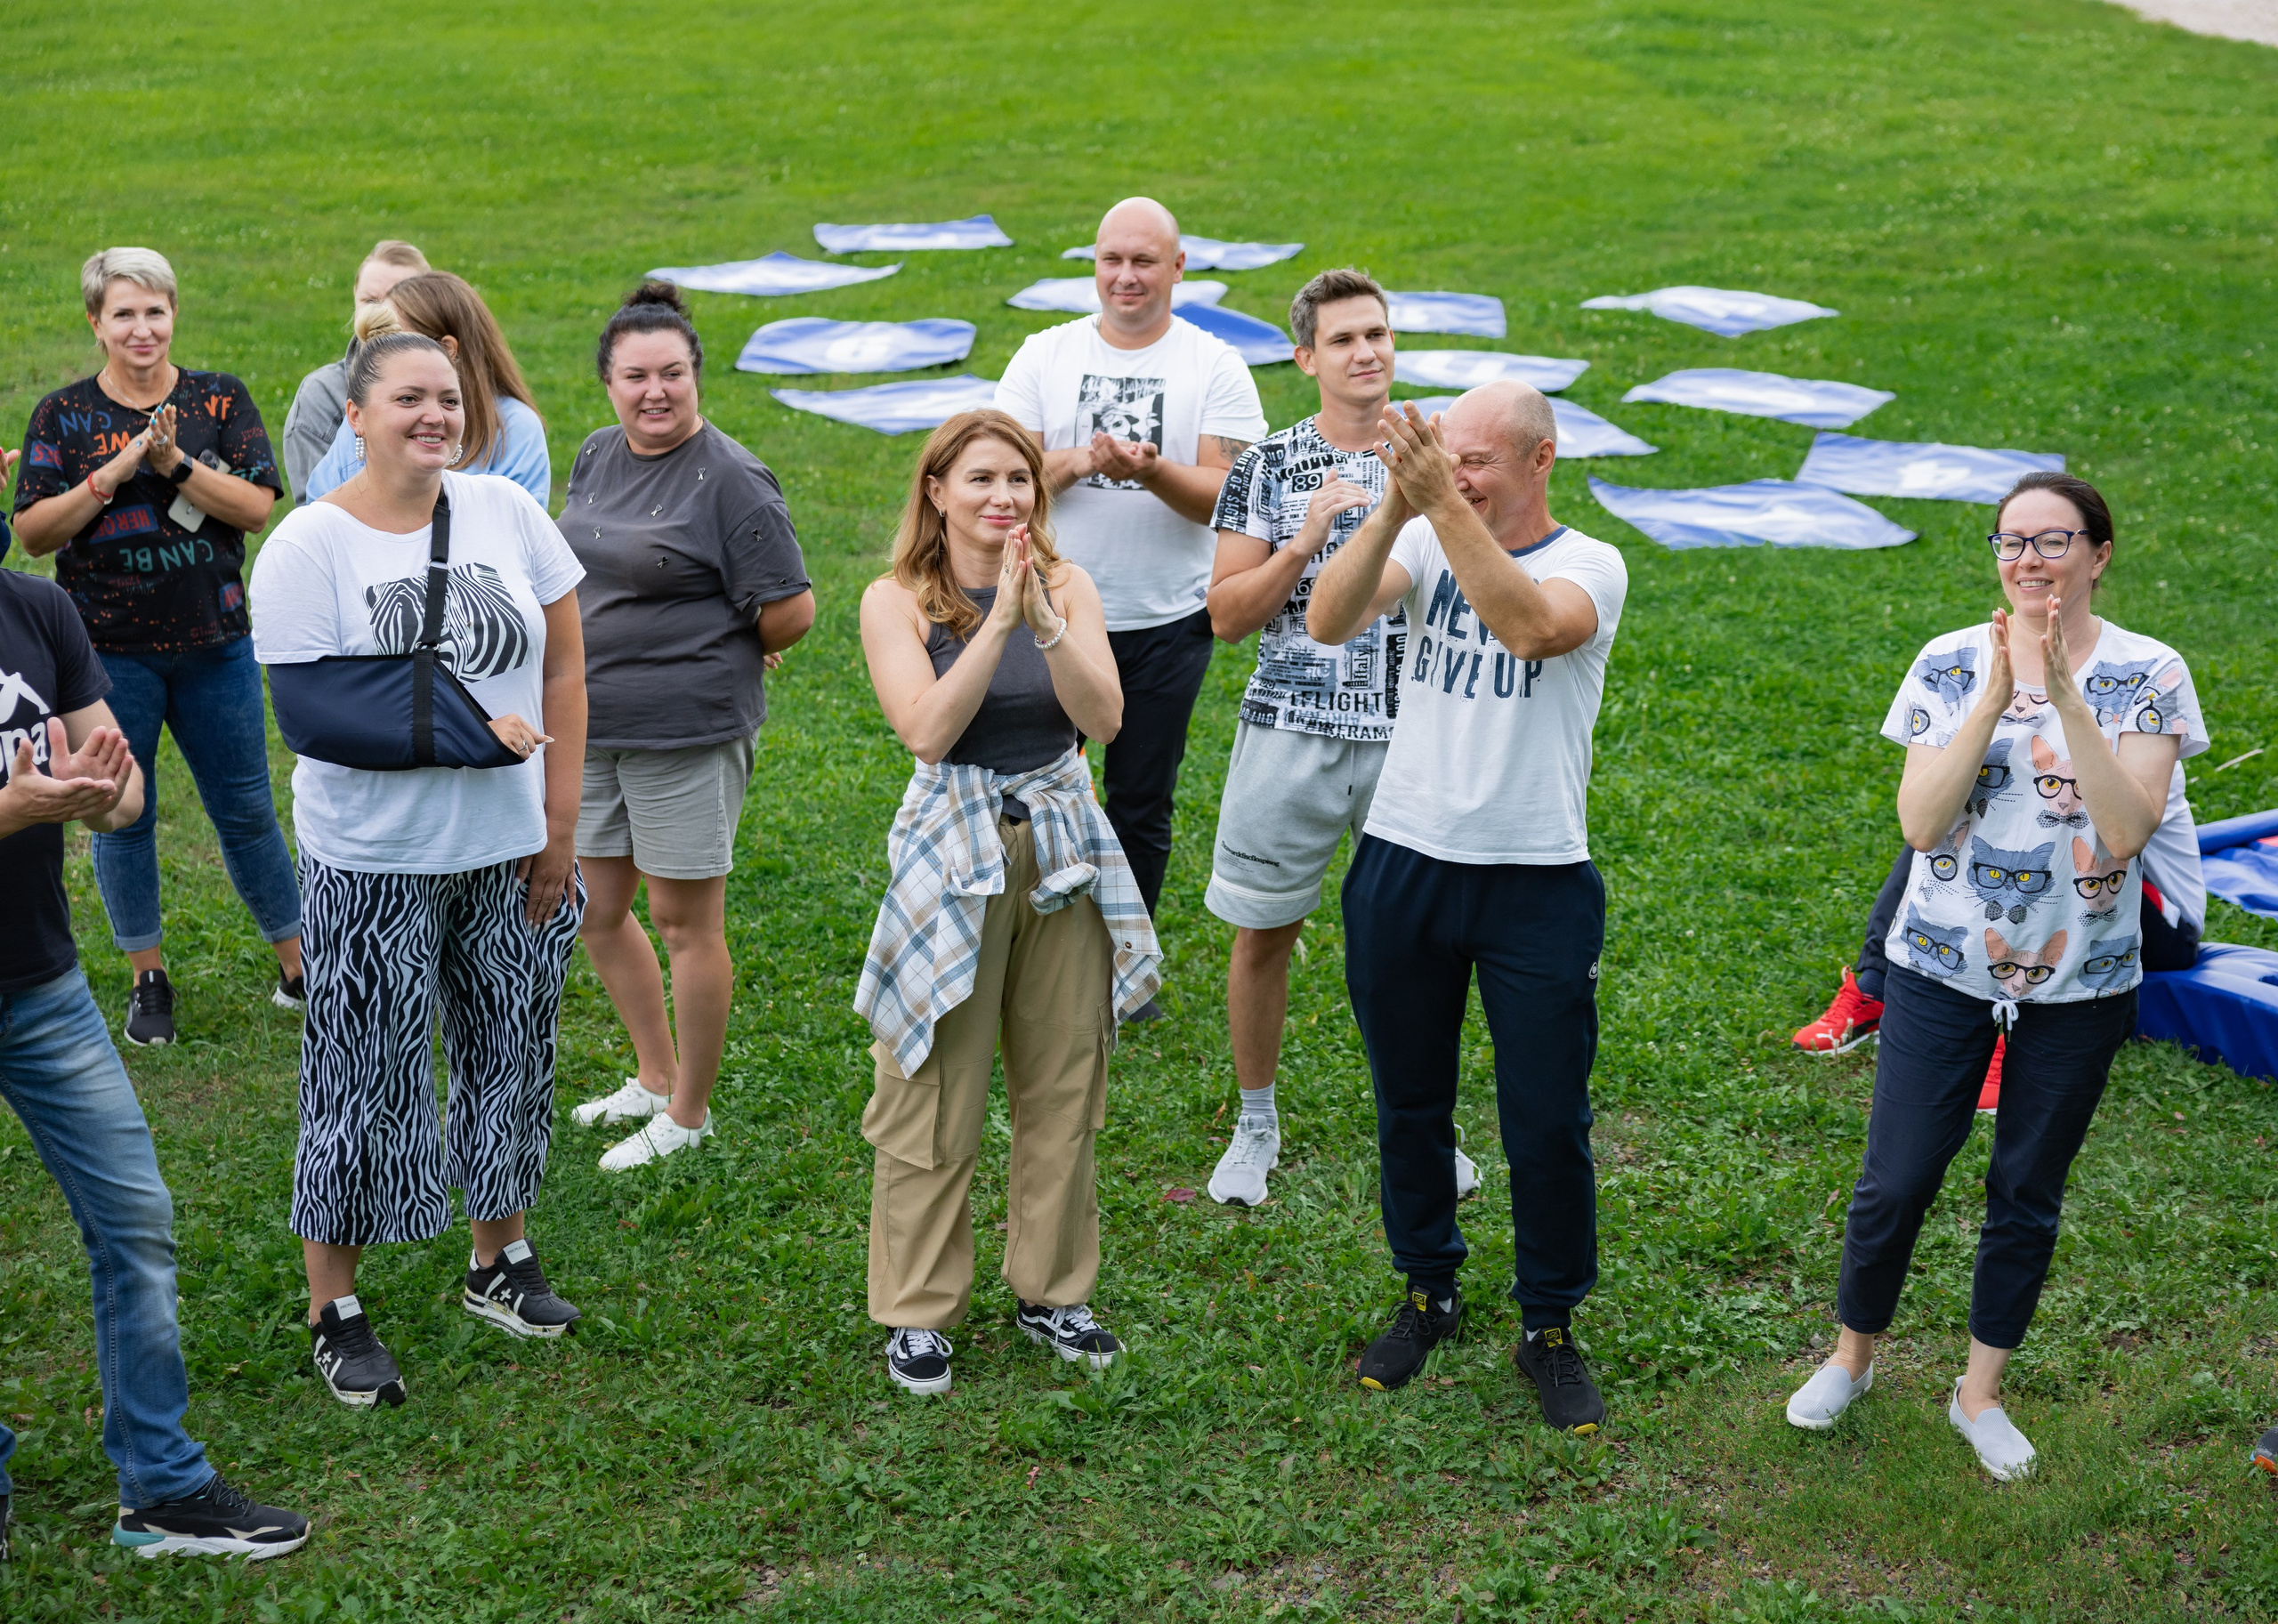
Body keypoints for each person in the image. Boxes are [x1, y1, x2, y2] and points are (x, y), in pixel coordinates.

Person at [1783, 473, 2202, 1482]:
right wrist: (1990, 700)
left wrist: (2061, 695)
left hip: (2084, 975)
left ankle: (1978, 1391)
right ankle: (1852, 1358)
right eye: (2010, 542)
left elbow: (2124, 829)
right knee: (1895, 1179)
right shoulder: (1946, 660)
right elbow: (1922, 825)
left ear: (2098, 555)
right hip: (1938, 961)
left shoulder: (2150, 672)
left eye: (2053, 541)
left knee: (2026, 1187)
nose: (2028, 560)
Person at [249, 332, 588, 1408]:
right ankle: (333, 1308)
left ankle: (498, 1259)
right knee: (362, 1079)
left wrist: (559, 819)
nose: (435, 415)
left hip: (509, 846)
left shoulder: (506, 512)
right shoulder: (309, 547)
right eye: (409, 399)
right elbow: (310, 713)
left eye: (449, 397)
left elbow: (568, 661)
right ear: (356, 414)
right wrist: (472, 734)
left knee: (511, 1049)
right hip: (372, 860)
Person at [1308, 386, 1628, 1431]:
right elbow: (1329, 617)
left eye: (1480, 461)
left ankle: (1547, 1325)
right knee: (1409, 1101)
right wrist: (1396, 512)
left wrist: (1438, 503)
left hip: (1535, 875)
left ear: (1542, 458)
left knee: (1544, 1120)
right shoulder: (1430, 531)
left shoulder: (1591, 564)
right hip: (1403, 859)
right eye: (1452, 456)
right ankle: (1425, 1290)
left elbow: (1531, 629)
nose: (1463, 475)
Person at [0, 563, 307, 1559]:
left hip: (38, 982)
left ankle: (161, 1484)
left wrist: (99, 795)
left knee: (134, 1216)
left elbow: (122, 795)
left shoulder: (35, 608)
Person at [852, 410, 1159, 1395]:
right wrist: (995, 624)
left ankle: (1052, 1292)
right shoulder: (895, 601)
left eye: (1020, 480)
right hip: (955, 849)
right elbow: (928, 731)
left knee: (1064, 1082)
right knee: (933, 1087)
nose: (1003, 498)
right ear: (936, 491)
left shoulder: (1066, 586)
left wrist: (1046, 620)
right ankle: (917, 1311)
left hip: (1062, 845)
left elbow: (1103, 719)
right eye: (980, 479)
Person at [1199, 268, 1473, 1207]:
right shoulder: (1267, 467)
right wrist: (1299, 539)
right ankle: (1254, 1125)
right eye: (1345, 339)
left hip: (1414, 739)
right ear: (1305, 357)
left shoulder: (1445, 453)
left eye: (1378, 335)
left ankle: (1429, 1129)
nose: (1367, 353)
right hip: (1289, 733)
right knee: (1263, 934)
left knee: (1421, 947)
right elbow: (1226, 618)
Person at [11, 246, 303, 1046]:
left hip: (217, 645)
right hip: (104, 659)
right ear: (96, 323)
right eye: (124, 314)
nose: (142, 328)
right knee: (120, 814)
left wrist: (172, 464)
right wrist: (113, 473)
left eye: (155, 311)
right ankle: (149, 980)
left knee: (246, 810)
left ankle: (299, 964)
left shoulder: (218, 399)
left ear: (174, 314)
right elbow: (33, 534)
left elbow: (253, 508)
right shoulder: (61, 417)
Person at [560, 284, 815, 1169]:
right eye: (636, 376)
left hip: (686, 728)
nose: (654, 391)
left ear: (695, 376)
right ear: (609, 383)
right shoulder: (596, 455)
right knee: (598, 909)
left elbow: (791, 610)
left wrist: (723, 644)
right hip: (593, 721)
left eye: (672, 373)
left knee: (681, 919)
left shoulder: (732, 478)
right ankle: (651, 1072)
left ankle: (689, 1113)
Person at [994, 198, 1267, 1014]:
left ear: (1178, 268)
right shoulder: (1045, 356)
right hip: (1048, 617)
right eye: (1112, 259)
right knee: (1027, 788)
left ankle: (1124, 965)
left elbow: (1229, 495)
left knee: (1140, 798)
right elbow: (990, 482)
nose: (1125, 276)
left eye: (1144, 261)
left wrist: (1150, 471)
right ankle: (1022, 951)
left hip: (1165, 620)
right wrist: (1076, 462)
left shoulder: (1214, 364)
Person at [1792, 765, 2205, 1111]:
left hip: (2162, 925)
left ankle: (2013, 1020)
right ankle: (1875, 987)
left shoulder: (2128, 727)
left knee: (2043, 841)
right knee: (1945, 820)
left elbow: (2115, 835)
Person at [300, 271, 550, 508]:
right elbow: (319, 506)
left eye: (397, 340)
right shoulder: (369, 414)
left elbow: (521, 536)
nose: (379, 356)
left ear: (447, 350)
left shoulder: (515, 428)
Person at [281, 239, 430, 503]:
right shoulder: (322, 396)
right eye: (370, 300)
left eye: (401, 304)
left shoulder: (460, 391)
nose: (384, 314)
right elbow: (317, 516)